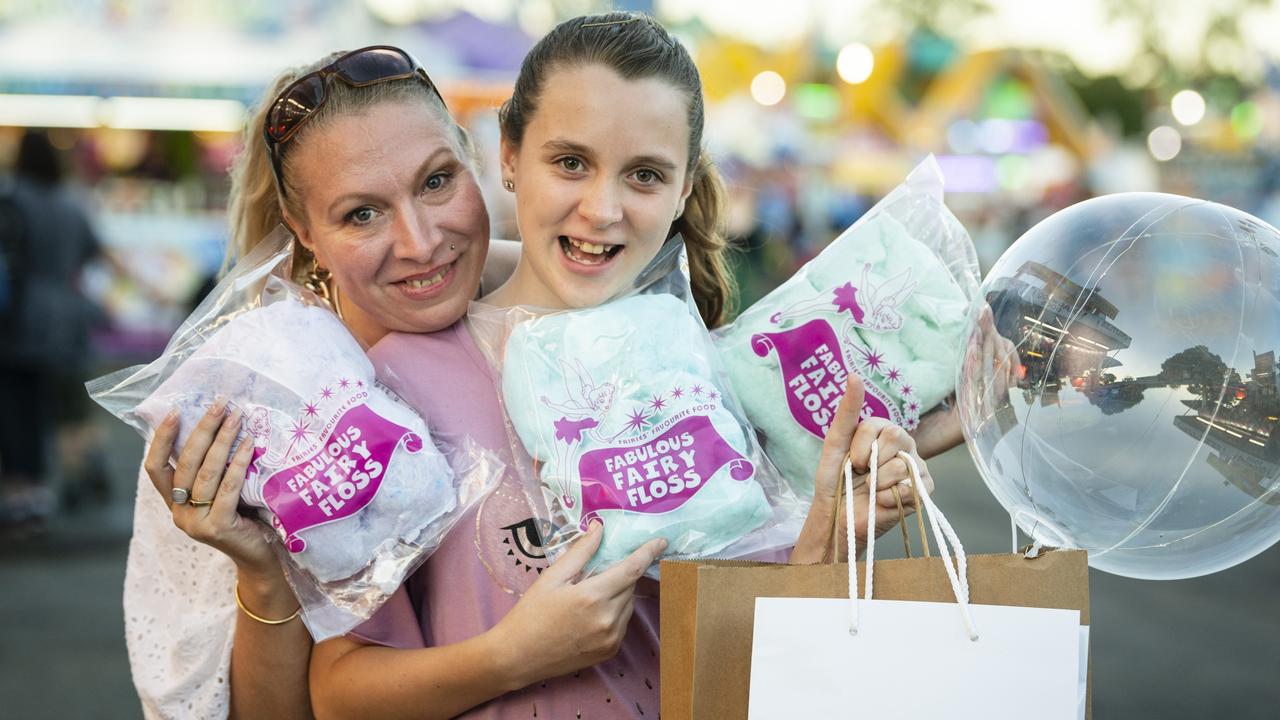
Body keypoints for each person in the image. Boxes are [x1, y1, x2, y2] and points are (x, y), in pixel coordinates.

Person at [308, 13, 933, 720]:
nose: (602, 209)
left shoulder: (708, 375)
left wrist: (836, 526)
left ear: (682, 191)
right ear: (509, 154)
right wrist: (509, 656)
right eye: (570, 162)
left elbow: (752, 661)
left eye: (643, 175)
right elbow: (336, 693)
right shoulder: (396, 387)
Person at [124, 46, 520, 719]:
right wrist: (262, 570)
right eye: (361, 214)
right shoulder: (253, 401)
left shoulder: (563, 306)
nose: (421, 242)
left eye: (436, 182)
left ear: (471, 160)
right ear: (303, 231)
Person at [0, 129, 105, 530]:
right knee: (56, 407)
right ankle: (48, 488)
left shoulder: (12, 197)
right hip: (67, 320)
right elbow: (91, 253)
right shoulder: (71, 202)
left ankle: (19, 490)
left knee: (15, 409)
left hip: (19, 318)